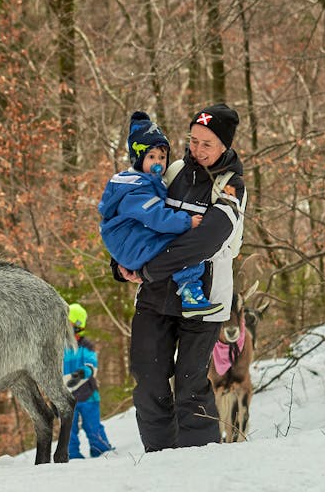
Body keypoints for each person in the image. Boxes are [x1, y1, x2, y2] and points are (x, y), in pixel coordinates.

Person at [114, 103, 246, 453]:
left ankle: (199, 467)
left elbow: (206, 240)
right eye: (193, 140)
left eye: (207, 143)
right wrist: (121, 263)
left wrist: (151, 268)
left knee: (190, 385)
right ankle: (160, 463)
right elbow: (134, 215)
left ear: (224, 147)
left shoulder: (232, 186)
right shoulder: (171, 172)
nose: (197, 150)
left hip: (203, 299)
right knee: (148, 382)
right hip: (155, 296)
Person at [98, 111, 221, 318]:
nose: (159, 162)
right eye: (152, 156)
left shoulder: (140, 182)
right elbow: (156, 216)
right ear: (138, 159)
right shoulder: (136, 189)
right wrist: (186, 222)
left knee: (174, 245)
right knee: (181, 248)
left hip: (129, 242)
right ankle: (190, 294)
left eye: (162, 157)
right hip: (130, 246)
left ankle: (188, 292)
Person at [62, 303, 114, 459]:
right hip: (66, 397)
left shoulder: (86, 346)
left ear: (77, 326)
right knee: (68, 429)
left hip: (88, 395)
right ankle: (71, 455)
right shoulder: (60, 347)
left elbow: (92, 365)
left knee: (92, 426)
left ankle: (102, 450)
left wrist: (82, 372)